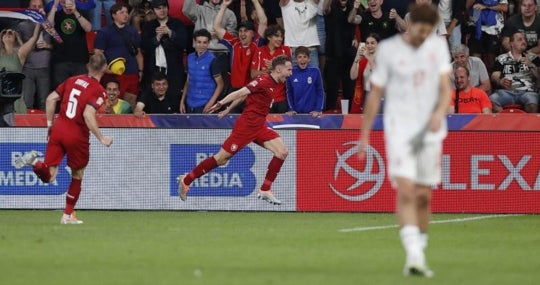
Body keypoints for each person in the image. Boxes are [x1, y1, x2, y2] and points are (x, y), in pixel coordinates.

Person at [359, 4, 452, 277]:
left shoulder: (437, 48)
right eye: (421, 30)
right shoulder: (389, 51)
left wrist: (438, 112)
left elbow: (446, 89)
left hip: (431, 129)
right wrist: (364, 135)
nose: (424, 36)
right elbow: (375, 94)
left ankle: (420, 246)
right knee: (407, 190)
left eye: (428, 32)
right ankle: (414, 255)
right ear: (410, 25)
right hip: (399, 129)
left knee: (423, 195)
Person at [177, 55, 293, 205]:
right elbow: (239, 92)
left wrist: (229, 109)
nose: (291, 73)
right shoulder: (264, 81)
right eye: (289, 69)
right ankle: (186, 180)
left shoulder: (271, 81)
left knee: (282, 152)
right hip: (246, 126)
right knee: (221, 159)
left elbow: (246, 95)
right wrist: (221, 103)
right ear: (279, 69)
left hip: (259, 126)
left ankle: (265, 189)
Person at [13, 53, 113, 224]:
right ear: (104, 68)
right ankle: (67, 215)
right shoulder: (99, 91)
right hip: (77, 135)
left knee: (50, 175)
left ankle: (35, 162)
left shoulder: (73, 80)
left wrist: (50, 124)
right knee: (78, 174)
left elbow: (50, 99)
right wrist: (101, 137)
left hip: (59, 128)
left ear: (88, 66)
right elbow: (88, 114)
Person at [94, 2, 143, 109]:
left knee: (129, 106)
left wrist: (140, 71)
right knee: (110, 105)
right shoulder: (104, 32)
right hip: (112, 74)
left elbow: (138, 53)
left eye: (126, 12)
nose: (125, 15)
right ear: (113, 15)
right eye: (122, 12)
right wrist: (105, 70)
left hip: (131, 73)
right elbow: (98, 54)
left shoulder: (132, 31)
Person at [140, 0, 187, 110]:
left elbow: (184, 43)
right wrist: (157, 38)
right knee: (152, 101)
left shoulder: (177, 24)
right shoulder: (148, 26)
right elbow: (144, 47)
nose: (162, 10)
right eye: (158, 8)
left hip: (173, 70)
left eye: (164, 7)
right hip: (153, 70)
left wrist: (170, 33)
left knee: (174, 99)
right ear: (153, 11)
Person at [214, 0, 267, 93]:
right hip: (234, 89)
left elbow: (263, 22)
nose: (242, 33)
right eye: (240, 31)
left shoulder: (257, 44)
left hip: (250, 90)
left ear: (253, 33)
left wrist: (255, 2)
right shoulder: (234, 43)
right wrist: (224, 6)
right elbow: (217, 27)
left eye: (246, 31)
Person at [490, 30, 540, 112]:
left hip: (527, 92)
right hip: (506, 92)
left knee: (532, 105)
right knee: (490, 102)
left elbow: (538, 77)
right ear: (511, 44)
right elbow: (494, 76)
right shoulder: (501, 58)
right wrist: (500, 81)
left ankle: (529, 125)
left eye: (524, 39)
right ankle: (505, 122)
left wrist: (531, 65)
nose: (523, 41)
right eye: (520, 39)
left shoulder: (533, 58)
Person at [0, 25, 40, 126]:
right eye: (4, 33)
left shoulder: (20, 53)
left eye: (10, 33)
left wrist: (39, 21)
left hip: (13, 96)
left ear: (15, 37)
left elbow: (34, 37)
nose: (7, 35)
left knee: (10, 126)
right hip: (0, 94)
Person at [47, 0, 93, 89]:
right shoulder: (56, 14)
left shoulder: (82, 12)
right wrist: (54, 6)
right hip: (60, 59)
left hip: (80, 60)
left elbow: (88, 29)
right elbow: (48, 27)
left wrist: (75, 11)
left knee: (80, 89)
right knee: (60, 90)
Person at [17, 0, 53, 111]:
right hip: (28, 68)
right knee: (27, 102)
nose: (37, 9)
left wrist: (47, 45)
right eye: (34, 6)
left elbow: (60, 46)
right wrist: (28, 46)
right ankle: (25, 128)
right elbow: (18, 48)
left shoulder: (49, 24)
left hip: (45, 68)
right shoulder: (22, 25)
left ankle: (45, 127)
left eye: (39, 6)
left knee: (44, 102)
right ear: (28, 8)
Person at [180, 29, 225, 114]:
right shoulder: (190, 58)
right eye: (199, 42)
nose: (201, 45)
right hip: (189, 103)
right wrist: (182, 101)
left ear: (208, 43)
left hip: (205, 104)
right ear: (194, 42)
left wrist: (211, 103)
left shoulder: (212, 60)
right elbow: (188, 81)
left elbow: (220, 84)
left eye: (204, 42)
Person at [323, 0, 357, 112]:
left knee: (349, 88)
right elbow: (325, 9)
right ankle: (329, 114)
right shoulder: (331, 7)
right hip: (332, 53)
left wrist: (355, 8)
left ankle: (348, 115)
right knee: (332, 87)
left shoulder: (355, 7)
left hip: (348, 54)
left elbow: (351, 20)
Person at [251, 25, 292, 113]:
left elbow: (288, 74)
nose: (280, 39)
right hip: (264, 99)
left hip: (281, 99)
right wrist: (270, 70)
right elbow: (253, 74)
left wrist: (274, 67)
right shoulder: (260, 51)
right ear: (269, 37)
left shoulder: (286, 50)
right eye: (277, 36)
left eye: (281, 36)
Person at [465, 0, 509, 73]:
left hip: (493, 29)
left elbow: (505, 7)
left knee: (492, 59)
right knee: (476, 59)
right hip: (475, 27)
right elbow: (467, 6)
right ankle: (478, 80)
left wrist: (485, 7)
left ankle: (493, 80)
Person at [279, 0, 320, 67]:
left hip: (310, 50)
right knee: (290, 76)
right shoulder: (286, 3)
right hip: (293, 51)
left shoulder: (312, 2)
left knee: (314, 76)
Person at [285, 46, 324, 116]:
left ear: (309, 59)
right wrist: (291, 109)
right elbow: (289, 93)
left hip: (313, 113)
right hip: (296, 113)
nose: (302, 59)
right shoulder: (291, 72)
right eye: (299, 57)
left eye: (305, 57)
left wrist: (318, 109)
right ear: (296, 60)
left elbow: (320, 92)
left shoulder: (315, 71)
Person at [350, 33, 380, 113]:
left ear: (378, 44)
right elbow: (352, 76)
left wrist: (369, 58)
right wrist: (356, 59)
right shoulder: (363, 61)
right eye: (367, 43)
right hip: (365, 95)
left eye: (372, 43)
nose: (369, 45)